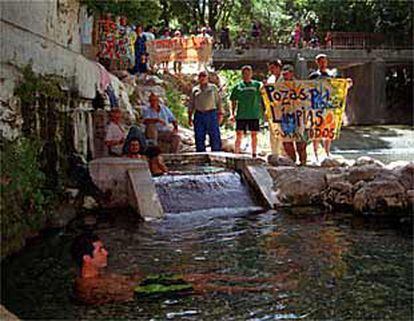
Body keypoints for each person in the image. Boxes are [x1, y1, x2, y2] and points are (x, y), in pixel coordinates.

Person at [71, 232, 142, 305]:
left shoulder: (99, 275)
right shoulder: (88, 288)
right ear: (87, 258)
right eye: (100, 250)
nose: (106, 253)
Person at [309, 53, 353, 160]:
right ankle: (315, 154)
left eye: (324, 61)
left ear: (327, 62)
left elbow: (339, 88)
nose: (323, 63)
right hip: (317, 107)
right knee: (316, 130)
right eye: (320, 61)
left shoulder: (332, 76)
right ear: (317, 63)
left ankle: (327, 153)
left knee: (328, 130)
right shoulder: (313, 76)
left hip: (329, 107)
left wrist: (347, 83)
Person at [229, 65, 262, 158]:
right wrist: (232, 113)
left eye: (248, 73)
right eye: (244, 73)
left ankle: (254, 153)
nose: (246, 75)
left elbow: (265, 95)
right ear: (242, 74)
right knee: (239, 134)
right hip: (241, 114)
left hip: (254, 114)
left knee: (254, 134)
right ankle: (236, 153)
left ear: (251, 74)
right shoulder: (238, 86)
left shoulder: (257, 85)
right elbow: (233, 100)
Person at [189, 71, 223, 152]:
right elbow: (191, 104)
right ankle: (200, 154)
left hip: (211, 114)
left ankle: (216, 153)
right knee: (199, 135)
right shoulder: (195, 89)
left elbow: (218, 101)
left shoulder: (213, 88)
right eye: (201, 76)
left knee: (214, 135)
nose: (202, 78)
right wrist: (189, 117)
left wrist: (220, 113)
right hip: (199, 114)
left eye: (204, 76)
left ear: (207, 78)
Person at [281, 64, 307, 165]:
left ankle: (303, 161)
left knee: (300, 140)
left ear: (292, 73)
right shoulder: (279, 86)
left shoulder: (300, 85)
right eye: (284, 74)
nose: (285, 76)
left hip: (299, 115)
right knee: (287, 140)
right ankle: (292, 160)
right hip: (285, 116)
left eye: (287, 74)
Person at [265, 60, 285, 157]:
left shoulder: (285, 78)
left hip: (284, 109)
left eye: (273, 68)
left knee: (283, 132)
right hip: (272, 109)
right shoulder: (270, 79)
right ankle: (274, 153)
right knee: (273, 131)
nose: (271, 70)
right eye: (270, 69)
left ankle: (284, 154)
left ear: (278, 67)